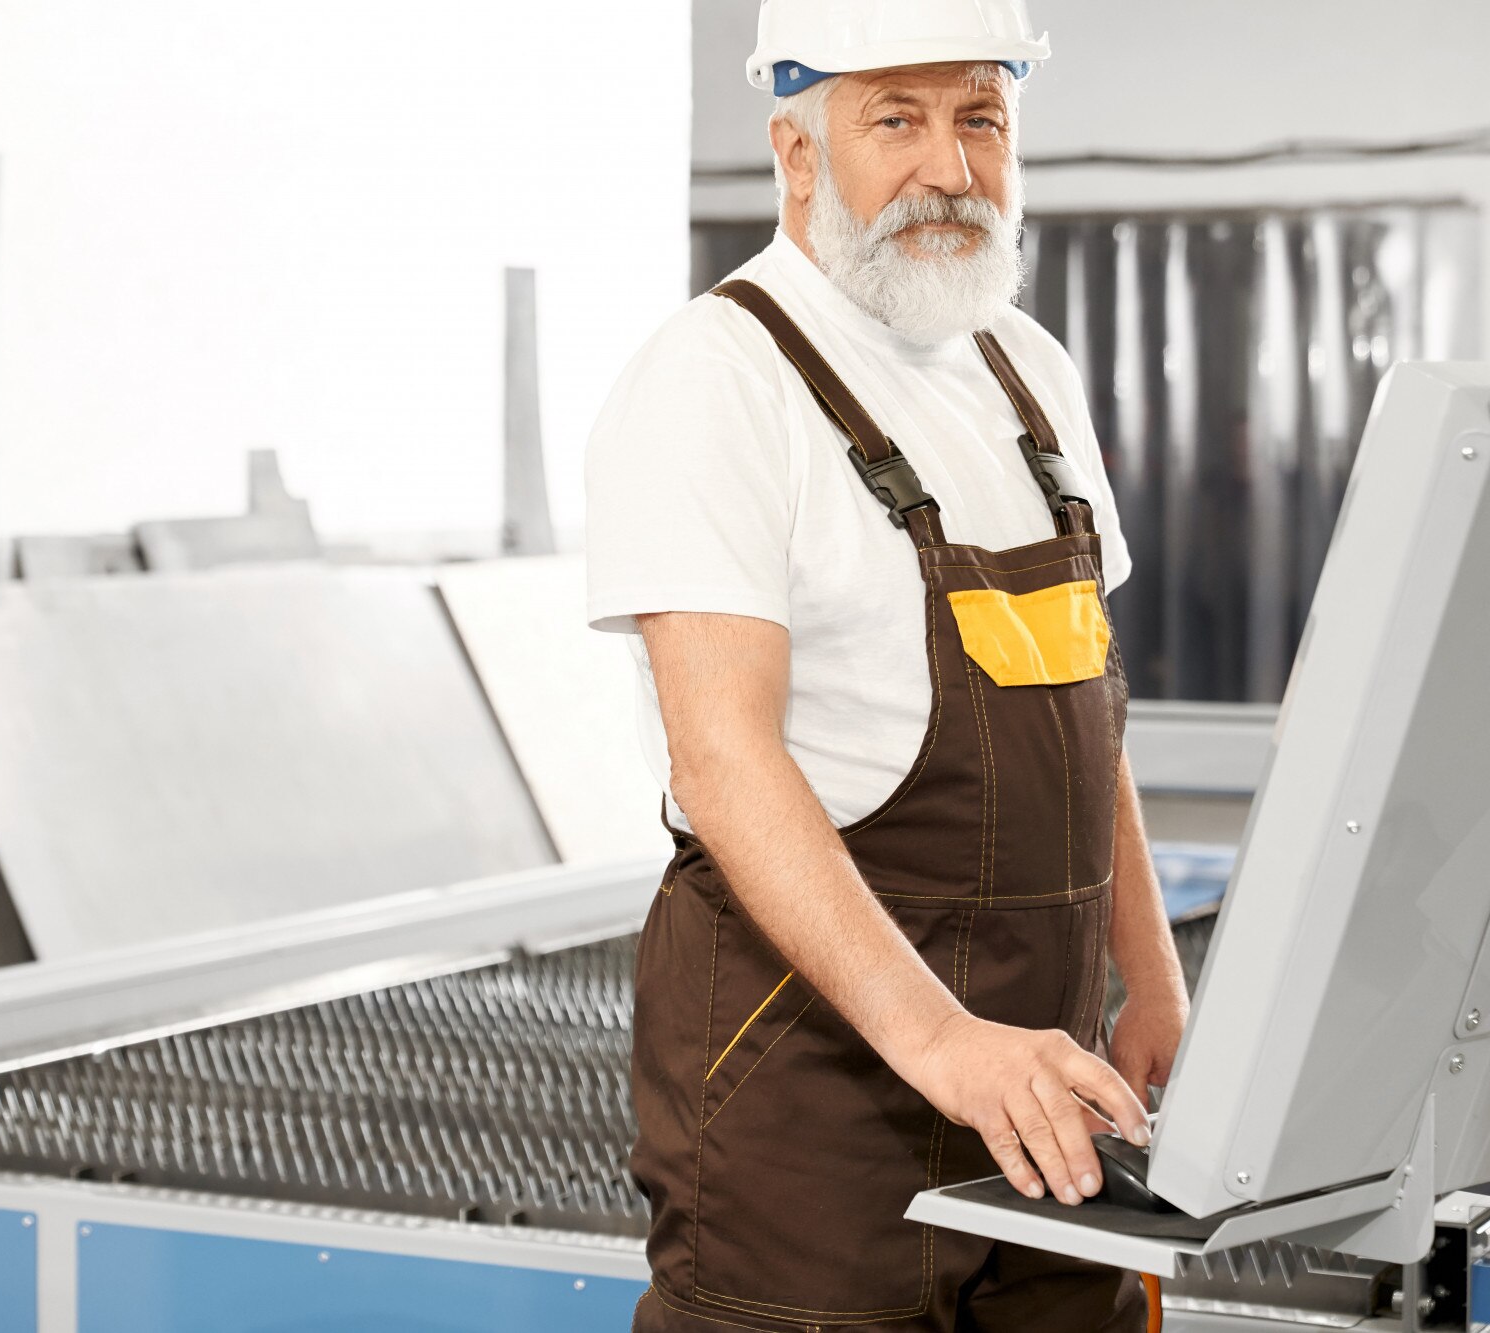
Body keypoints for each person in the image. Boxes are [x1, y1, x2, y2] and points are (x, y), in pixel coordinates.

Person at [586, 1, 1190, 1329]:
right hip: (812, 1111)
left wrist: (1146, 975)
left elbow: (1093, 708)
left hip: (1043, 1097)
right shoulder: (716, 381)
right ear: (798, 152)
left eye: (981, 116)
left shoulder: (1027, 372)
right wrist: (942, 1045)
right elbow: (724, 758)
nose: (950, 167)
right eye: (896, 119)